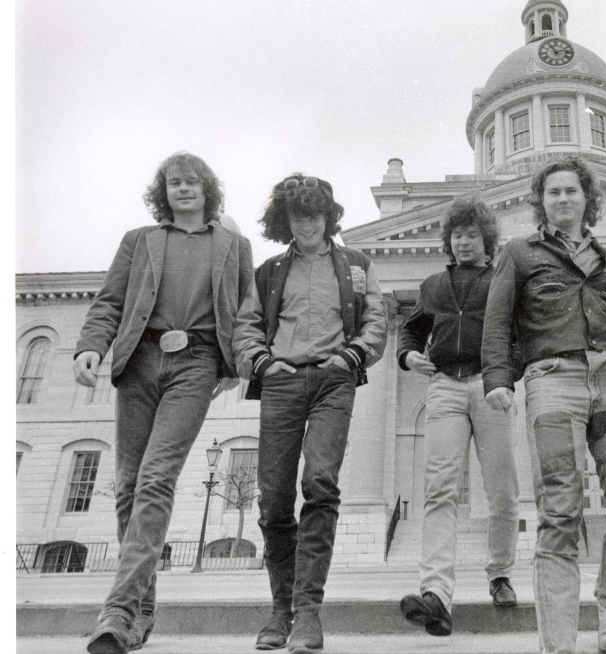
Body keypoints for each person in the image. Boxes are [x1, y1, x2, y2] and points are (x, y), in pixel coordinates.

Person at [482, 157, 606, 654]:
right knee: (560, 511)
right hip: (553, 381)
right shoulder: (519, 253)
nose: (563, 198)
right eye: (553, 192)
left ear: (587, 198)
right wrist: (498, 379)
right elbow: (497, 321)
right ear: (540, 202)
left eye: (571, 190)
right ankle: (558, 643)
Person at [75, 152, 254, 654]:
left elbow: (246, 311)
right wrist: (91, 346)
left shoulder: (234, 246)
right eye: (174, 182)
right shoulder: (140, 241)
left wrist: (237, 364)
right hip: (139, 362)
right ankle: (142, 609)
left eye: (192, 182)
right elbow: (110, 301)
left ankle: (117, 612)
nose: (184, 189)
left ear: (207, 190)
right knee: (128, 487)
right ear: (164, 192)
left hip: (195, 364)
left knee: (156, 479)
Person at [233, 174, 388, 653]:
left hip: (332, 381)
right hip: (281, 383)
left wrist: (352, 356)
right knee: (274, 497)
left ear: (328, 216)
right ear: (286, 221)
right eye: (298, 217)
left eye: (315, 215)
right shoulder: (269, 271)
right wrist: (263, 363)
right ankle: (280, 609)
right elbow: (246, 326)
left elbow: (376, 319)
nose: (307, 225)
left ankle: (307, 613)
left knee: (320, 483)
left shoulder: (356, 265)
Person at [397, 195, 520, 637]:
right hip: (445, 386)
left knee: (502, 489)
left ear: (487, 240)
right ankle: (436, 593)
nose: (464, 242)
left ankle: (500, 573)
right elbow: (411, 329)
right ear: (448, 241)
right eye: (457, 235)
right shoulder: (433, 285)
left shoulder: (502, 280)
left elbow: (519, 333)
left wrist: (507, 375)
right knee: (440, 488)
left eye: (471, 234)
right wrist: (408, 355)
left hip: (491, 386)